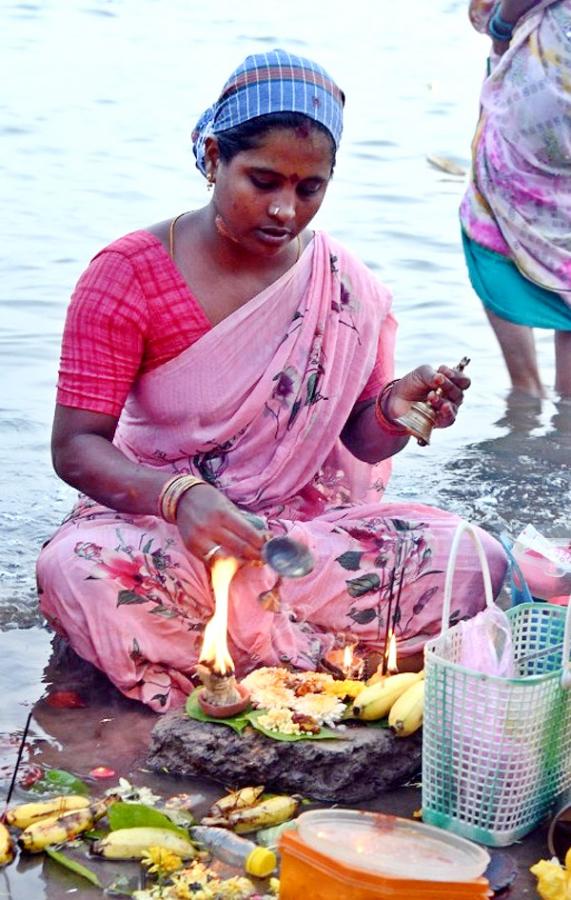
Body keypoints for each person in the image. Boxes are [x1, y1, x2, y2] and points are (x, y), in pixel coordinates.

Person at [37, 49, 507, 711]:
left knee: (472, 559)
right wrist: (178, 497)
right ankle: (315, 661)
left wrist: (392, 409)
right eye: (262, 181)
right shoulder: (128, 274)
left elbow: (359, 445)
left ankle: (237, 659)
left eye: (308, 188)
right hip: (161, 531)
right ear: (211, 157)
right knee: (80, 572)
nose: (285, 209)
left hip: (294, 541)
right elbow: (76, 446)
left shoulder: (346, 285)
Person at [460, 0, 571, 399]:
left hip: (552, 81)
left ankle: (526, 393)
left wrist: (502, 26)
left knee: (493, 213)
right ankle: (564, 430)